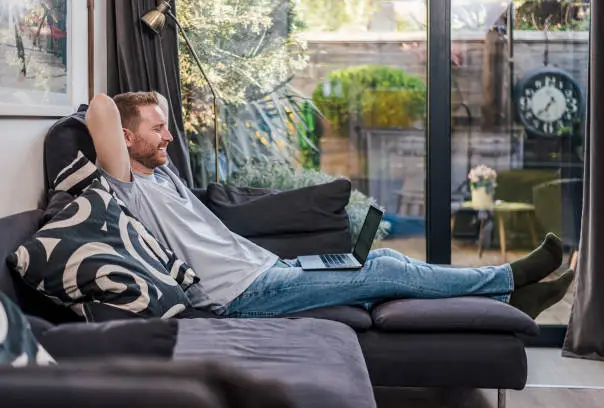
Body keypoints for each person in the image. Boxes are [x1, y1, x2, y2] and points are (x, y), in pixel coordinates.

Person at [85, 91, 574, 320]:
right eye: (155, 129)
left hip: (268, 272)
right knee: (384, 272)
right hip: (239, 298)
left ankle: (511, 302)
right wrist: (128, 118)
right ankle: (510, 279)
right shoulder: (128, 186)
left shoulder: (161, 170)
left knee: (382, 259)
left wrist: (150, 112)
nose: (168, 134)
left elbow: (156, 111)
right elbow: (101, 109)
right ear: (124, 139)